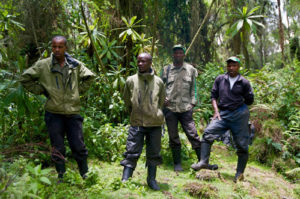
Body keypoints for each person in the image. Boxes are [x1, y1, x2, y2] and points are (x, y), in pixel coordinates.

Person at [20, 36, 95, 182]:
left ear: (65, 48)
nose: (57, 50)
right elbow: (25, 78)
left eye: (60, 47)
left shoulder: (75, 65)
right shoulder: (43, 65)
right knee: (57, 146)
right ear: (51, 48)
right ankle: (61, 174)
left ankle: (85, 173)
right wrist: (42, 90)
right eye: (54, 47)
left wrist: (77, 92)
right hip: (53, 113)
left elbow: (90, 77)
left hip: (73, 112)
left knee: (78, 145)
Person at [191, 56, 254, 183]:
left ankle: (239, 174)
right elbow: (214, 96)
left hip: (239, 114)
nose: (231, 68)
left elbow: (249, 100)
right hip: (223, 114)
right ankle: (203, 162)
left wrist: (242, 101)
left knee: (242, 145)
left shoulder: (244, 82)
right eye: (229, 65)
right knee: (208, 133)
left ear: (238, 67)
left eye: (234, 65)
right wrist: (216, 111)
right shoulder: (221, 79)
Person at [161, 44, 217, 172]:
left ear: (184, 55)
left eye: (180, 53)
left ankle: (202, 161)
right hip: (170, 108)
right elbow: (159, 85)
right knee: (173, 136)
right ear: (173, 55)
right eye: (176, 53)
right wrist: (162, 98)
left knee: (193, 135)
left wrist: (193, 103)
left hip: (186, 108)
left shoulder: (190, 69)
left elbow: (194, 88)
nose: (178, 55)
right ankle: (177, 164)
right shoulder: (166, 69)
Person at [120, 53, 165, 191]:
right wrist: (135, 113)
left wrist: (155, 113)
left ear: (150, 63)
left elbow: (161, 102)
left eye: (143, 61)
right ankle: (125, 179)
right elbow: (127, 100)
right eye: (138, 61)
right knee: (131, 150)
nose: (140, 64)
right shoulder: (130, 80)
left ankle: (151, 180)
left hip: (155, 123)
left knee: (154, 152)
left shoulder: (159, 82)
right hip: (137, 122)